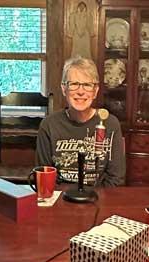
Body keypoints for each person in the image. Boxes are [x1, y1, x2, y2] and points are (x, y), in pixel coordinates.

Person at [36, 56, 125, 187]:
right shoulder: (49, 125)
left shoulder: (111, 124)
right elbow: (44, 177)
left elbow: (116, 179)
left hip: (97, 199)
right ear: (63, 89)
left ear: (95, 91)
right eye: (74, 84)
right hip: (61, 199)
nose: (81, 92)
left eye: (87, 85)